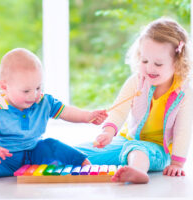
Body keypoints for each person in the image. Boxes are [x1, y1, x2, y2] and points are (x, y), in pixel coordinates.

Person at [76, 17, 193, 184]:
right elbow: (119, 110)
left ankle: (136, 171)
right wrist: (108, 132)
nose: (149, 68)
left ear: (177, 62)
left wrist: (177, 163)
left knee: (138, 150)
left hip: (158, 150)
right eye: (145, 61)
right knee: (80, 154)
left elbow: (183, 130)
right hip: (127, 140)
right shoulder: (136, 82)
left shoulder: (184, 93)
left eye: (158, 64)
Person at [0, 48, 108, 178]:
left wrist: (88, 116)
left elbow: (66, 111)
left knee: (52, 145)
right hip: (4, 157)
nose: (33, 95)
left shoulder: (44, 101)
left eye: (38, 87)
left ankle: (86, 166)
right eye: (26, 91)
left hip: (35, 152)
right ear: (4, 87)